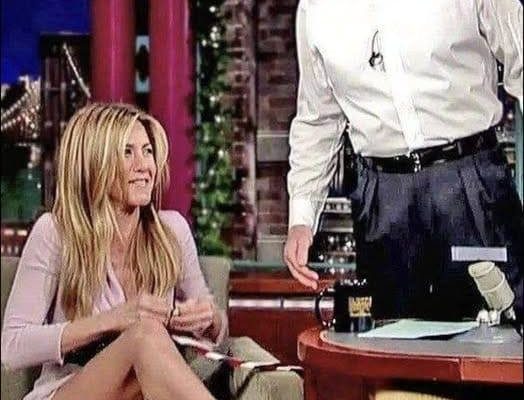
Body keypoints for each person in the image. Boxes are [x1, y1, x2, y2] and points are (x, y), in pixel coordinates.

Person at [284, 0, 523, 322]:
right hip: (383, 200)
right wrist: (301, 218)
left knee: (504, 325)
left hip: (470, 180)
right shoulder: (316, 9)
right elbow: (318, 119)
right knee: (392, 333)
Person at [1, 102, 227, 400]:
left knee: (148, 337)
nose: (144, 166)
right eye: (127, 152)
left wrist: (209, 319)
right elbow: (12, 347)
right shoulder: (55, 232)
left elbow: (216, 331)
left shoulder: (172, 230)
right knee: (145, 334)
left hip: (140, 391)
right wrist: (114, 319)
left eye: (148, 151)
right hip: (70, 390)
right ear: (95, 163)